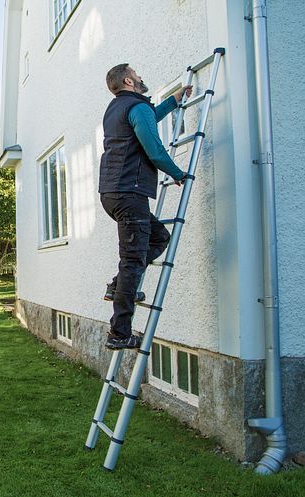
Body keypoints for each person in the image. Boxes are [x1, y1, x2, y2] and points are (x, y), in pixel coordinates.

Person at [99, 63, 192, 350]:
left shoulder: (117, 108)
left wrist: (173, 102)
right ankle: (119, 333)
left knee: (159, 237)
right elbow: (153, 148)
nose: (141, 75)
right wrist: (178, 173)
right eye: (137, 73)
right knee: (132, 261)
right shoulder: (136, 108)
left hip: (114, 194)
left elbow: (147, 118)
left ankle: (118, 287)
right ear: (129, 80)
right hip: (130, 193)